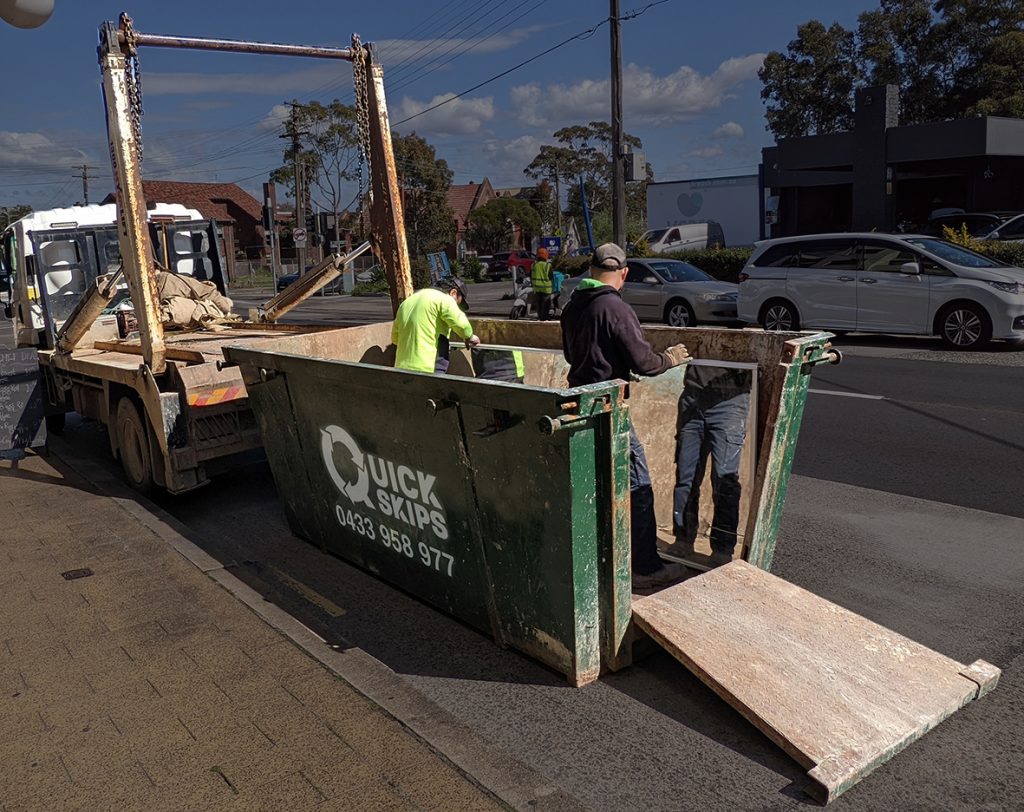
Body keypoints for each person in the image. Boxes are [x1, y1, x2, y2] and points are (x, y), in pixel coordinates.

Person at [560, 243, 691, 590]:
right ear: (624, 274)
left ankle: (604, 557)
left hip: (580, 404)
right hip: (609, 408)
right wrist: (670, 359)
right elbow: (644, 363)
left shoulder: (572, 306)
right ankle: (645, 567)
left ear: (590, 270)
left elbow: (570, 353)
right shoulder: (615, 307)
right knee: (639, 484)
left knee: (596, 486)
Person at [673, 364, 752, 567]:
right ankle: (683, 538)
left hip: (730, 400)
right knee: (686, 477)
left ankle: (722, 549)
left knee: (724, 480)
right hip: (693, 397)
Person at [391, 277, 479, 373]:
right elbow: (461, 324)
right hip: (428, 368)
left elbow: (395, 338)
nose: (457, 307)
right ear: (453, 293)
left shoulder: (406, 303)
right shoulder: (444, 299)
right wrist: (469, 336)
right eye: (458, 303)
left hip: (401, 368)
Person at [531, 247, 553, 321]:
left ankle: (540, 317)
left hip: (537, 289)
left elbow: (530, 275)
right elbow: (551, 277)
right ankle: (544, 318)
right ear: (546, 255)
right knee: (546, 305)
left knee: (539, 304)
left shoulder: (534, 265)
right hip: (546, 289)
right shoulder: (547, 265)